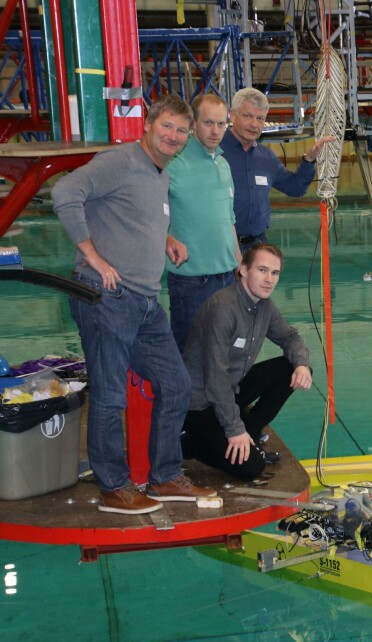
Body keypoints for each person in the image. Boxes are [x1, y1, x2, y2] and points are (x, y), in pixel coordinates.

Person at [52, 94, 217, 515]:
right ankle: (114, 488)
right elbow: (65, 192)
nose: (173, 136)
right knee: (110, 395)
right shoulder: (120, 161)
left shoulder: (160, 172)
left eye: (181, 130)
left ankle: (165, 476)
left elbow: (131, 214)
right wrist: (93, 256)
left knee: (176, 384)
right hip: (106, 297)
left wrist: (165, 239)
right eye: (167, 126)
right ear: (148, 124)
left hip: (144, 301)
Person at [180, 243, 312, 480]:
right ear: (243, 270)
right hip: (199, 403)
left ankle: (249, 434)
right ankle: (188, 445)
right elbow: (216, 378)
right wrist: (234, 430)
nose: (269, 279)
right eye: (262, 270)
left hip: (230, 390)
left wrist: (302, 364)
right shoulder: (223, 308)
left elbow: (290, 337)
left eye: (275, 273)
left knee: (292, 367)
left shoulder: (264, 307)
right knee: (251, 468)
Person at [165, 94, 241, 351]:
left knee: (224, 353)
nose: (215, 131)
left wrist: (239, 264)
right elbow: (146, 216)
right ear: (194, 124)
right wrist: (166, 239)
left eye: (221, 124)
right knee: (190, 355)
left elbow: (229, 220)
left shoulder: (223, 164)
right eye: (208, 123)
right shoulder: (173, 165)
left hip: (228, 277)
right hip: (191, 282)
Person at [220, 87, 334, 254]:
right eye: (248, 116)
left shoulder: (266, 158)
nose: (254, 124)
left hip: (257, 246)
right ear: (232, 115)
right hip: (221, 247)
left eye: (260, 118)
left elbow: (295, 188)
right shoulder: (215, 153)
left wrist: (309, 159)